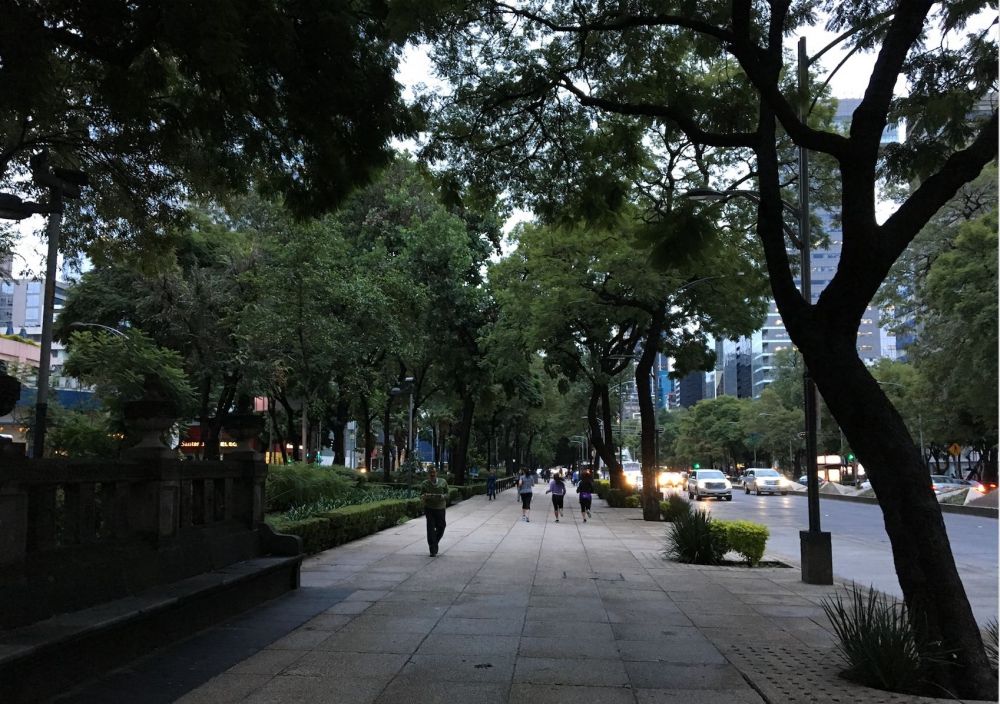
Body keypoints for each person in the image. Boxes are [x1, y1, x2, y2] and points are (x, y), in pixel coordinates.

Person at [420, 468, 448, 556]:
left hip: (440, 508)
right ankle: (432, 549)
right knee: (430, 528)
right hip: (429, 508)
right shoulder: (425, 483)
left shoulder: (443, 482)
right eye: (430, 473)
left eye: (434, 472)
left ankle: (434, 542)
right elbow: (421, 495)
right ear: (428, 474)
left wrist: (443, 496)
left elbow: (447, 494)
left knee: (442, 526)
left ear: (436, 473)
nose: (432, 474)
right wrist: (424, 496)